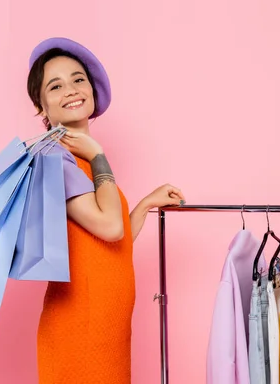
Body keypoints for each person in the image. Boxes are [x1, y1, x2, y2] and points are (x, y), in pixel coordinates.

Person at [26, 37, 186, 383]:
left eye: (78, 79)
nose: (70, 89)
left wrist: (144, 204)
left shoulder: (79, 159)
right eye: (55, 86)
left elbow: (106, 244)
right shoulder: (56, 159)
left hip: (105, 325)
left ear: (93, 90)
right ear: (43, 108)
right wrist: (99, 154)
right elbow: (111, 228)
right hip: (80, 326)